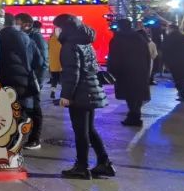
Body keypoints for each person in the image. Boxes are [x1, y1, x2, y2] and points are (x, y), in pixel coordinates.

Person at [54, 13, 112, 179]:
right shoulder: (85, 42)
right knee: (89, 130)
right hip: (91, 90)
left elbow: (72, 72)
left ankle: (81, 167)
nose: (55, 31)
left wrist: (66, 95)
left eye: (56, 27)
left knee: (81, 132)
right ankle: (104, 163)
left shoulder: (69, 45)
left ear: (63, 28)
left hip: (80, 93)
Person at [0, 14, 41, 149]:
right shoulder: (27, 38)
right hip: (25, 81)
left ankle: (9, 145)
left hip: (5, 81)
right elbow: (39, 61)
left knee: (8, 114)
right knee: (21, 113)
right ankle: (15, 145)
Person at [107, 18, 152, 127]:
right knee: (137, 94)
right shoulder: (140, 38)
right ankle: (135, 115)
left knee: (129, 95)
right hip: (140, 70)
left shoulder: (118, 39)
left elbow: (114, 56)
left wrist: (112, 71)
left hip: (125, 71)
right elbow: (147, 55)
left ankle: (133, 116)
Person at [15, 13, 48, 149]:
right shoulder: (22, 36)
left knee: (35, 109)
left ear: (26, 25)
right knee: (25, 109)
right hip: (25, 79)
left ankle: (35, 139)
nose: (15, 25)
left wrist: (38, 82)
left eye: (17, 22)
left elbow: (43, 62)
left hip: (33, 80)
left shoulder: (36, 37)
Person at [160, 22, 184, 102]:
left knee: (177, 78)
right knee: (183, 78)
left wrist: (165, 63)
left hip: (173, 63)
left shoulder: (168, 39)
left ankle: (182, 93)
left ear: (170, 29)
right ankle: (182, 92)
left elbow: (164, 51)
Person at [47, 26, 62, 100]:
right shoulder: (62, 40)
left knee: (54, 80)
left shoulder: (50, 39)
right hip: (62, 64)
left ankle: (53, 92)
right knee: (63, 81)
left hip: (53, 64)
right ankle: (63, 94)